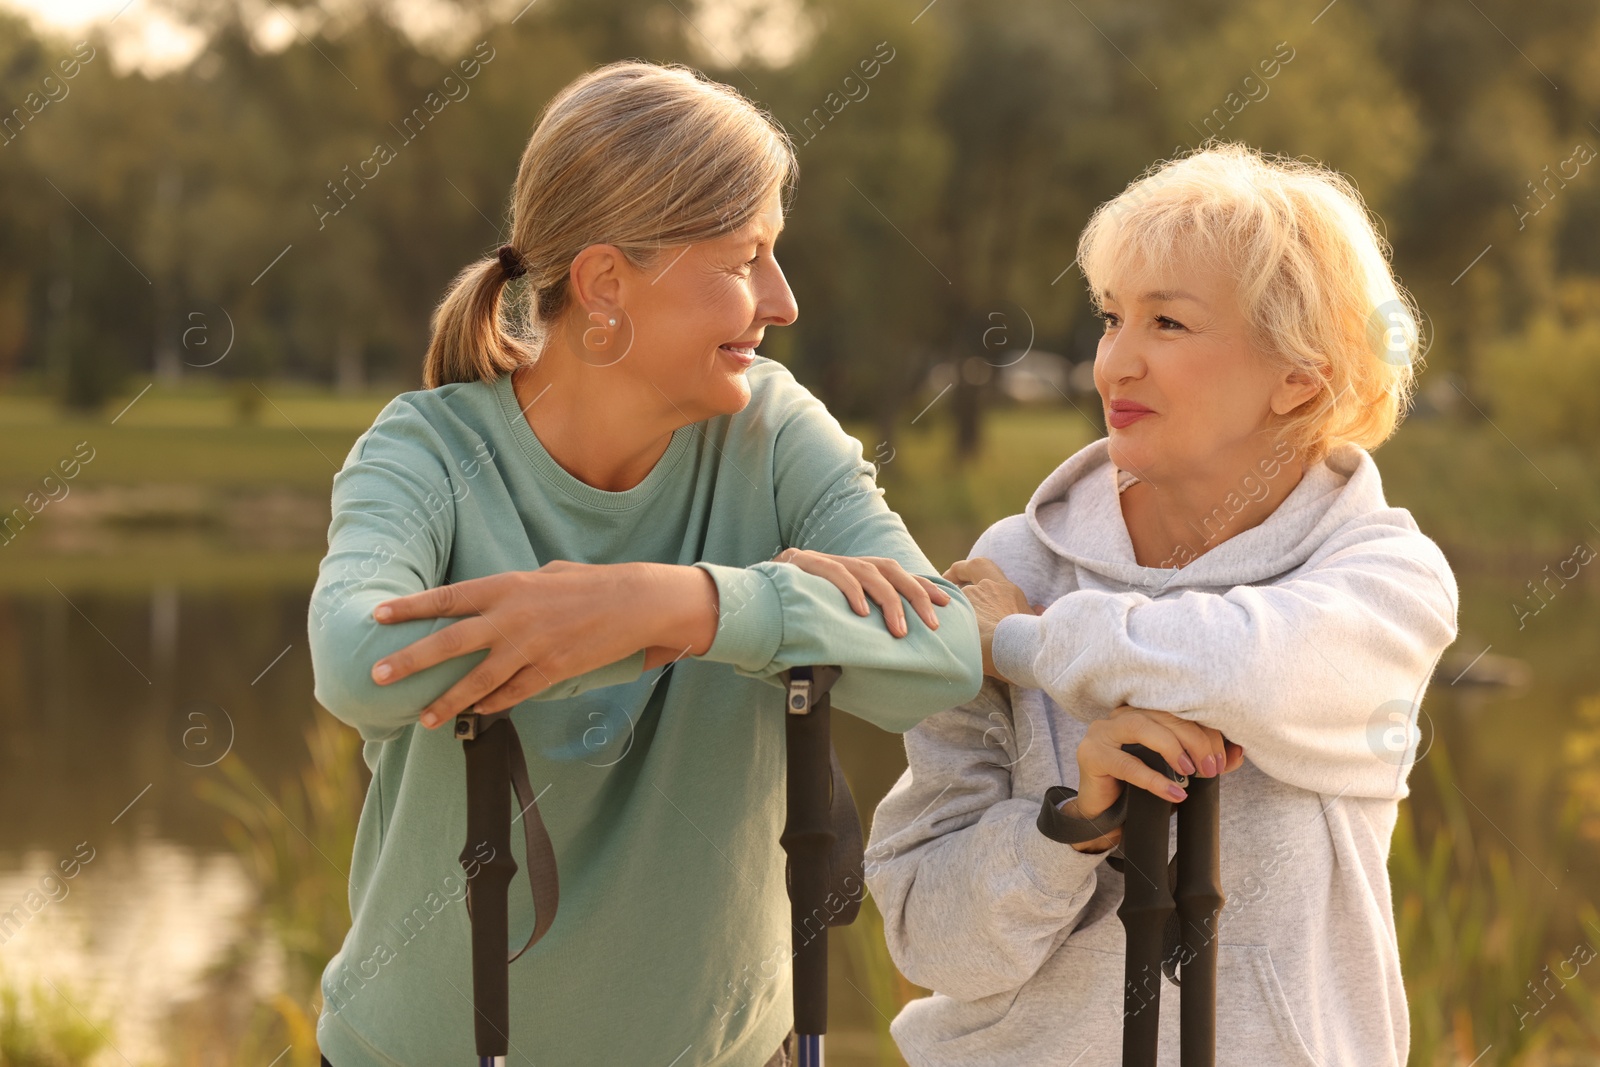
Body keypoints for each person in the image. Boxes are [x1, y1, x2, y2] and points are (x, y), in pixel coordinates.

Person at [305, 60, 982, 1067]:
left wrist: (684, 604)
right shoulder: (427, 450)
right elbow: (359, 663)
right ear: (607, 282)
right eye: (745, 257)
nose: (782, 300)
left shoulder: (775, 430)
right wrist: (740, 616)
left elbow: (940, 651)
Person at [864, 144, 1460, 1066]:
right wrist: (1072, 827)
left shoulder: (1383, 578)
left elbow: (1237, 664)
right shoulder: (1012, 563)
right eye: (1110, 318)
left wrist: (1018, 643)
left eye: (1169, 324)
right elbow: (926, 935)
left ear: (1299, 372)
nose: (1113, 364)